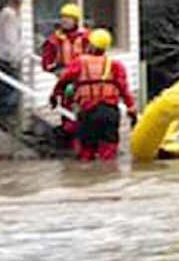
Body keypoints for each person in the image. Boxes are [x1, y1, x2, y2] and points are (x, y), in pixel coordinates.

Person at [50, 28, 138, 162]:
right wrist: (132, 112)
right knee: (109, 154)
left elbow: (63, 80)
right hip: (110, 113)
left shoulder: (79, 63)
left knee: (86, 153)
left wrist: (54, 96)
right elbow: (125, 90)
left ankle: (88, 177)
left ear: (90, 45)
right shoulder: (116, 66)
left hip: (88, 112)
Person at [41, 3, 89, 147]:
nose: (65, 21)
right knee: (67, 111)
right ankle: (71, 141)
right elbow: (47, 62)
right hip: (66, 81)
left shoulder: (87, 37)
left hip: (84, 81)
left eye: (68, 18)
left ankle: (84, 140)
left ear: (76, 20)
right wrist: (58, 71)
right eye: (63, 18)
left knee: (86, 110)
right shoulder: (54, 40)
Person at [0, 0, 25, 131]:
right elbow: (10, 39)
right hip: (7, 60)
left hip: (4, 58)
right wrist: (14, 58)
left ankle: (7, 122)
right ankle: (7, 123)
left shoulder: (5, 14)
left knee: (8, 92)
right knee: (10, 94)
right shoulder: (9, 16)